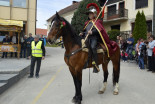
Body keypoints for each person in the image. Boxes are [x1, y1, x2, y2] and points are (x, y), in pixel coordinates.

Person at [79, 3, 118, 73]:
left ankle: (96, 65)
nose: (89, 15)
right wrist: (82, 34)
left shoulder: (98, 21)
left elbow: (100, 30)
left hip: (94, 38)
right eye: (89, 14)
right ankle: (87, 62)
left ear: (94, 14)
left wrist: (92, 32)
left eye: (91, 14)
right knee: (84, 48)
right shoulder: (87, 23)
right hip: (87, 38)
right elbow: (85, 31)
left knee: (93, 47)